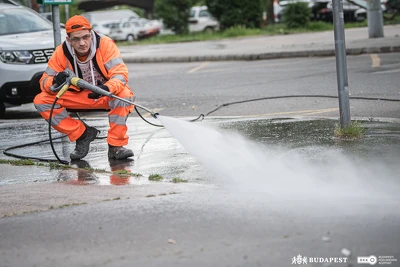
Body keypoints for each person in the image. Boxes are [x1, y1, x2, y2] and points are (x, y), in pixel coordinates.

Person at [34, 15, 134, 160]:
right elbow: (44, 82)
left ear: (91, 34)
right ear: (69, 39)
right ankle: (82, 134)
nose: (82, 43)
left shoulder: (105, 44)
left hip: (104, 93)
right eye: (76, 39)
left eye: (86, 37)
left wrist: (107, 88)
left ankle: (116, 146)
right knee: (41, 101)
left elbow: (120, 74)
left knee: (124, 95)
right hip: (78, 96)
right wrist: (54, 81)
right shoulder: (61, 52)